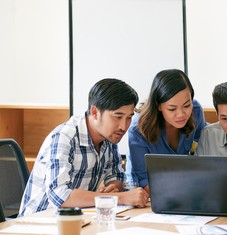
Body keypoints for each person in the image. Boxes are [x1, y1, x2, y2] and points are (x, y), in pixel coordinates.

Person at [19, 78, 149, 216]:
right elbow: (61, 196)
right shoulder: (64, 137)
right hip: (39, 223)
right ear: (94, 112)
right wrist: (119, 197)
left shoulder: (109, 137)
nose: (124, 126)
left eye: (129, 118)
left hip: (79, 218)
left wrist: (113, 188)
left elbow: (116, 176)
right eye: (117, 117)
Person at [126, 69, 207, 192]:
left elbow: (205, 151)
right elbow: (143, 180)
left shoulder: (195, 111)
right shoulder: (138, 128)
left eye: (186, 105)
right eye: (172, 109)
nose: (181, 114)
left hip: (184, 184)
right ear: (158, 106)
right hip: (146, 190)